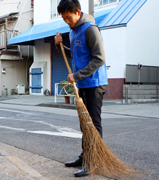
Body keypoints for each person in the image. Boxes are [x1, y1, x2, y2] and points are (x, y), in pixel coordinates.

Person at [54, 0, 108, 177]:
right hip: (83, 84)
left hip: (94, 83)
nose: (66, 21)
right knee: (85, 123)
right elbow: (78, 54)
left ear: (78, 12)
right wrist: (60, 44)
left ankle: (93, 161)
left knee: (93, 123)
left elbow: (99, 58)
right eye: (64, 19)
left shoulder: (90, 29)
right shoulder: (74, 31)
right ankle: (85, 155)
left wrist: (76, 76)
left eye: (68, 17)